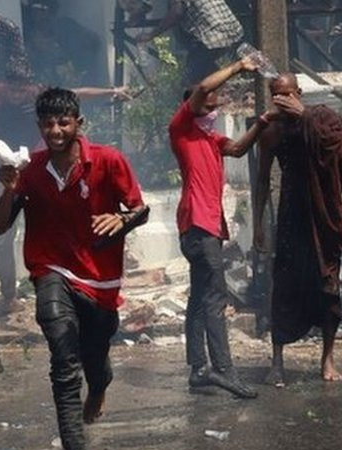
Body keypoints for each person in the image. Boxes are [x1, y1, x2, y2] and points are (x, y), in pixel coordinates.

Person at [0, 87, 148, 450]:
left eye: (63, 122)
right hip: (50, 271)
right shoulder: (29, 169)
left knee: (95, 361)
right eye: (48, 123)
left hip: (100, 282)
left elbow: (140, 209)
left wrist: (122, 221)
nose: (56, 130)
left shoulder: (109, 160)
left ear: (79, 123)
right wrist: (8, 189)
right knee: (63, 361)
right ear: (39, 126)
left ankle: (100, 386)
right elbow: (0, 226)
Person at [0, 68, 132, 307]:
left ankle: (59, 283)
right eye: (15, 85)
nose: (18, 91)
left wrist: (111, 92)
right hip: (12, 172)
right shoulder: (5, 91)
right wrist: (111, 91)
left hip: (40, 169)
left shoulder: (25, 93)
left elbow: (75, 95)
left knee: (49, 226)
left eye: (21, 85)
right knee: (2, 232)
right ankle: (15, 294)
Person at [169, 57, 270, 399]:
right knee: (215, 297)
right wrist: (240, 65)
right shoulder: (181, 128)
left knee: (200, 298)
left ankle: (199, 369)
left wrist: (262, 122)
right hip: (198, 225)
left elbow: (238, 149)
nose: (214, 110)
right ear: (191, 107)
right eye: (209, 106)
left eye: (216, 106)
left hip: (204, 226)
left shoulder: (210, 139)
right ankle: (224, 370)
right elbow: (203, 87)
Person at [253, 74, 342, 386]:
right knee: (284, 287)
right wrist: (258, 224)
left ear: (299, 92)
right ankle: (277, 360)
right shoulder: (272, 130)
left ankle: (327, 357)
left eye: (288, 94)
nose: (283, 100)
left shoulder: (320, 118)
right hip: (292, 213)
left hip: (323, 214)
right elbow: (262, 178)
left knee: (328, 287)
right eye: (277, 95)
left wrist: (304, 116)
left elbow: (336, 145)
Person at [136, 0, 244, 84]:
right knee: (204, 73)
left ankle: (212, 97)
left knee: (191, 82)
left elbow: (177, 12)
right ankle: (222, 89)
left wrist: (151, 34)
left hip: (211, 36)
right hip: (232, 30)